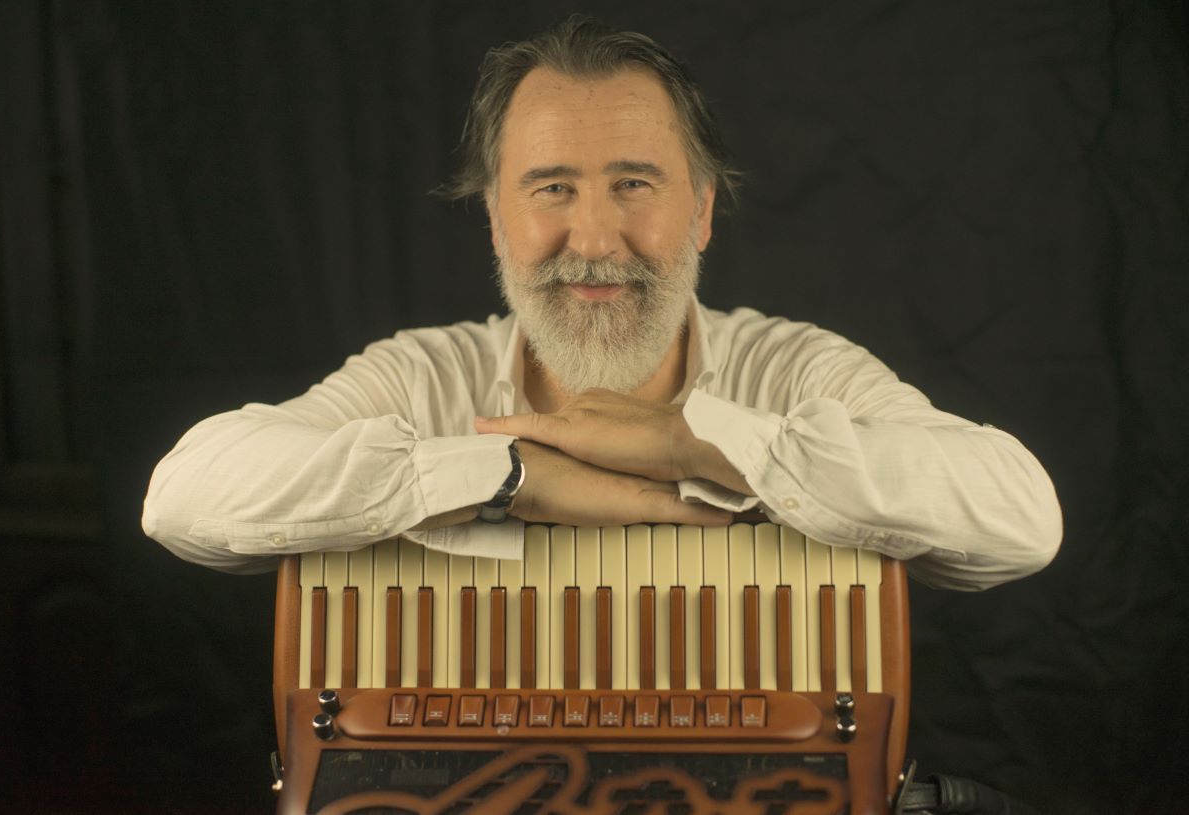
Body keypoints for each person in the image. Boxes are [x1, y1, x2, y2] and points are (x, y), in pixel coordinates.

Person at [142, 15, 1061, 591]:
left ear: (701, 211)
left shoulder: (795, 371)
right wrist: (505, 474)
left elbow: (1021, 513)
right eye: (551, 188)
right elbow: (183, 494)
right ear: (496, 219)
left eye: (633, 184)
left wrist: (696, 444)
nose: (591, 239)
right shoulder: (421, 378)